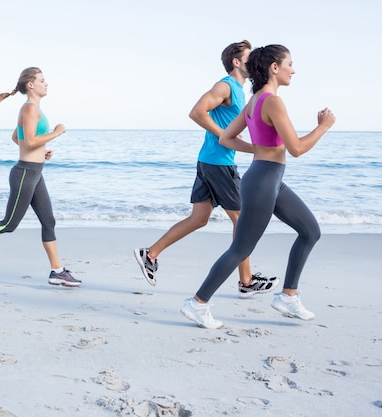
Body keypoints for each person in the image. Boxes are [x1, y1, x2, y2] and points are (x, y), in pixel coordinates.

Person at [180, 44, 336, 329]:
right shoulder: (272, 101)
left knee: (310, 231)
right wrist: (323, 126)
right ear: (274, 68)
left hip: (269, 178)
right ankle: (198, 303)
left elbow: (226, 138)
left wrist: (259, 148)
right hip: (264, 180)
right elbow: (297, 148)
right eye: (290, 63)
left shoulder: (254, 101)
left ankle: (288, 296)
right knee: (240, 248)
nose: (293, 69)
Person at [134, 40, 278, 298]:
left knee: (199, 218)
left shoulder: (241, 91)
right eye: (248, 57)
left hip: (210, 160)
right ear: (236, 62)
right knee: (241, 219)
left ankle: (150, 254)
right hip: (218, 163)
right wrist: (226, 137)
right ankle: (246, 281)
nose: (254, 61)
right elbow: (197, 112)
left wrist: (245, 145)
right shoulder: (226, 86)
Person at [0, 67, 81, 287]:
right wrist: (56, 133)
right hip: (25, 174)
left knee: (49, 221)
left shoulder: (34, 109)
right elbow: (28, 142)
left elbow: (16, 137)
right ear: (31, 84)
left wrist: (41, 152)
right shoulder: (29, 108)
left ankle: (57, 271)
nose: (46, 83)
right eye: (42, 80)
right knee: (9, 224)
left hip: (36, 172)